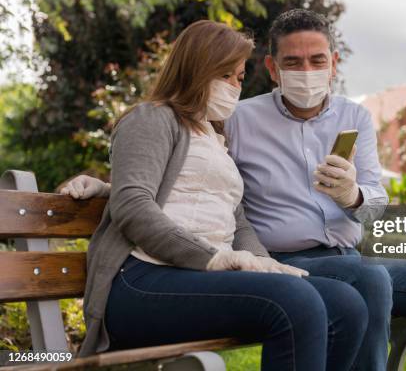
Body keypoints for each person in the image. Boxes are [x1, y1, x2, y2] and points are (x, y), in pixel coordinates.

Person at [66, 10, 406, 371]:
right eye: (228, 76)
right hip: (175, 269)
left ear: (334, 62)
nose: (234, 86)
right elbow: (144, 193)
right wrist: (111, 188)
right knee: (350, 284)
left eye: (317, 60)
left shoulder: (347, 118)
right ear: (273, 68)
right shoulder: (216, 120)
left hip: (337, 254)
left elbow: (217, 201)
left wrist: (352, 196)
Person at [71, 19, 370, 371]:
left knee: (346, 304)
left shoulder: (215, 139)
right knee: (296, 301)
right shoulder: (151, 118)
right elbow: (133, 205)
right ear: (196, 68)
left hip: (198, 277)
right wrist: (214, 258)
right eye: (224, 74)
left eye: (239, 78)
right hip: (141, 280)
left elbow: (237, 221)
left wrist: (263, 262)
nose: (234, 86)